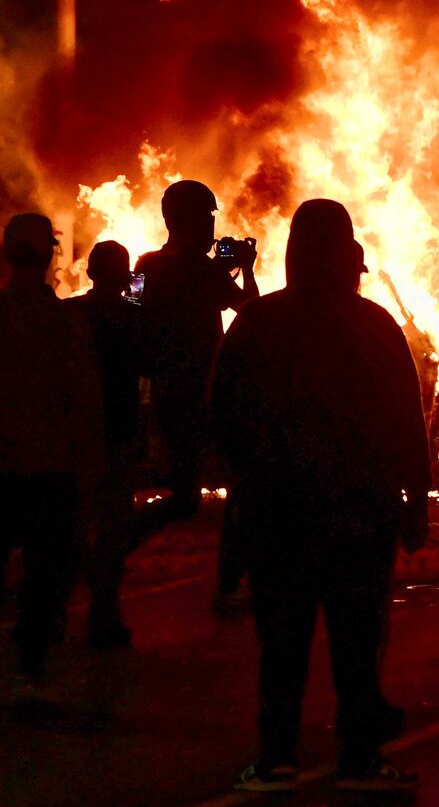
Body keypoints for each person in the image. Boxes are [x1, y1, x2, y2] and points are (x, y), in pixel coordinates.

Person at [210, 199, 430, 794]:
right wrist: (416, 500)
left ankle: (276, 757)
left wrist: (245, 485)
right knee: (359, 642)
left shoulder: (257, 322)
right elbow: (407, 421)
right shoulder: (375, 325)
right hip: (361, 512)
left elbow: (221, 413)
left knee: (281, 642)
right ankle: (359, 757)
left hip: (278, 514)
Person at [0, 213, 103, 706]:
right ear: (51, 255)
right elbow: (86, 404)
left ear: (9, 254)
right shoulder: (66, 323)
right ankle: (28, 674)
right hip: (50, 473)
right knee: (42, 579)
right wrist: (89, 476)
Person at [134, 180, 257, 610]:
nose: (211, 225)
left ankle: (117, 543)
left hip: (169, 392)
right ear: (187, 218)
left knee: (186, 495)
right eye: (207, 216)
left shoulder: (146, 264)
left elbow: (133, 311)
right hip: (208, 391)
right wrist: (248, 268)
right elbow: (250, 310)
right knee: (242, 486)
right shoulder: (201, 270)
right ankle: (228, 585)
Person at [64, 240, 145, 648]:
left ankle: (84, 598)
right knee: (113, 525)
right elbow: (146, 347)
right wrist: (141, 276)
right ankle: (103, 603)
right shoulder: (131, 315)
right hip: (117, 431)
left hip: (76, 433)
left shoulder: (71, 313)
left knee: (76, 521)